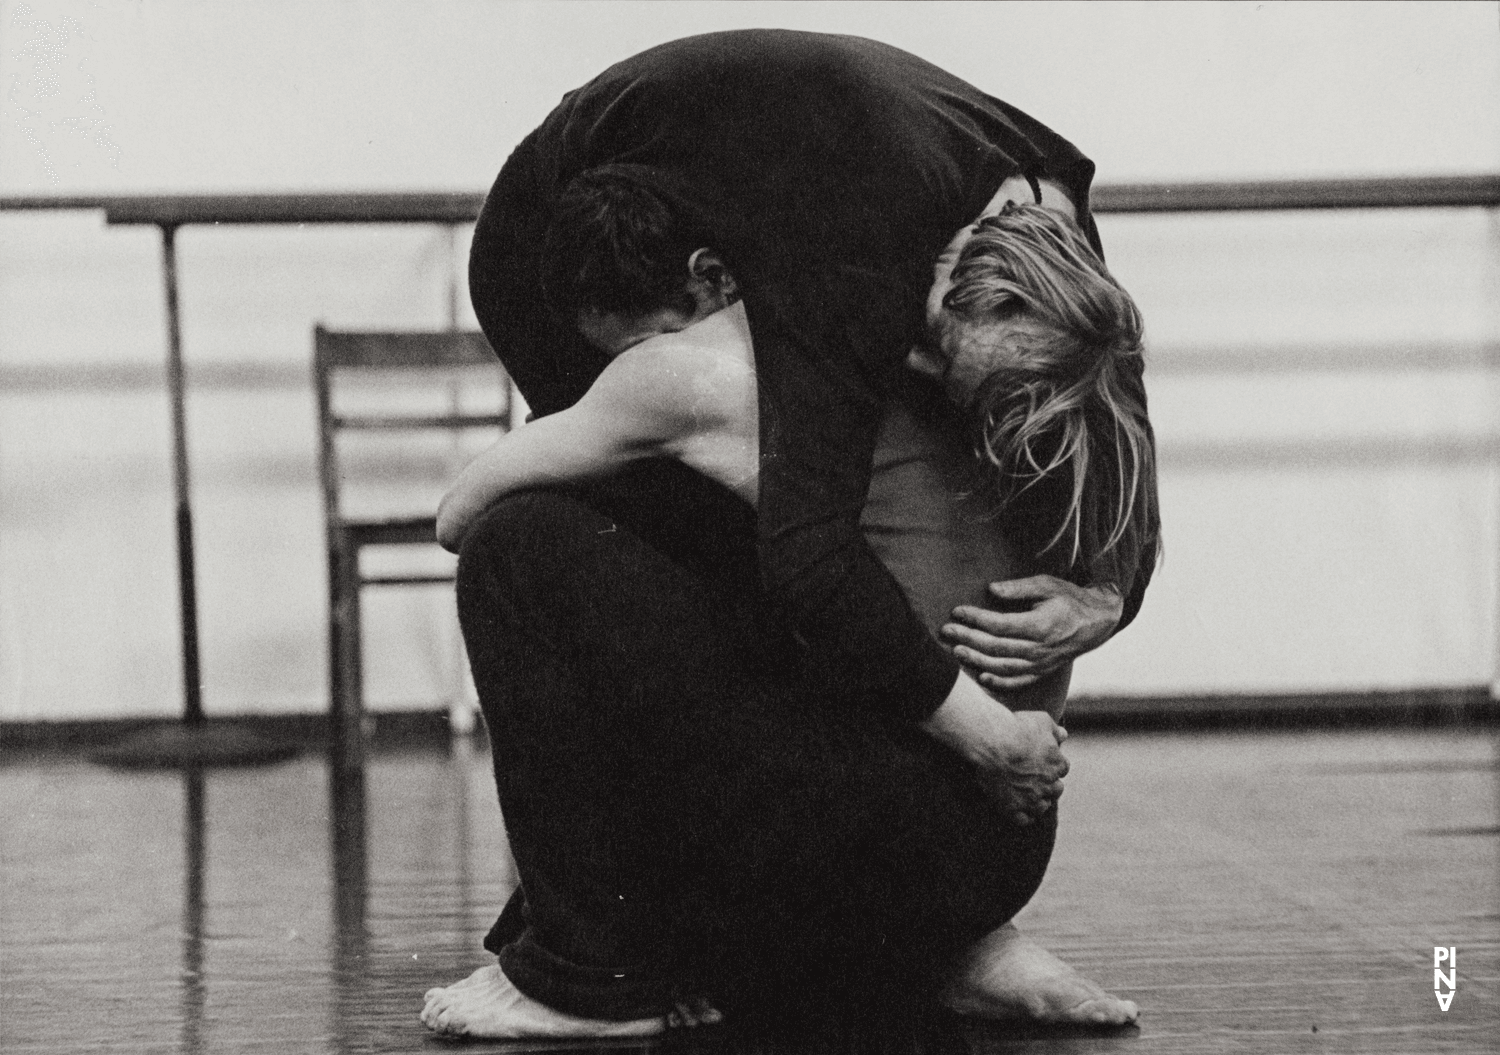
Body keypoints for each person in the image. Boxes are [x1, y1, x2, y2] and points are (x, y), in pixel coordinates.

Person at [422, 30, 1159, 1038]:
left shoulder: (707, 364)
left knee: (523, 546)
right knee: (748, 561)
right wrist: (1080, 630)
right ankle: (962, 943)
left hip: (902, 845)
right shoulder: (881, 282)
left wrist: (1103, 606)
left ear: (715, 275)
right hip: (995, 852)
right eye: (939, 359)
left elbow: (461, 515)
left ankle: (583, 974)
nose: (928, 380)